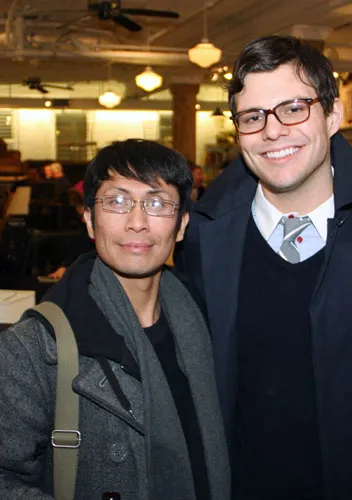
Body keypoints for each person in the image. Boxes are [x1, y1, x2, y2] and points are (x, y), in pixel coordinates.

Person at [175, 35, 352, 500]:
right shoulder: (203, 237)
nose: (272, 131)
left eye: (293, 108)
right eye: (253, 116)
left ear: (333, 115)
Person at [0, 139, 230, 500]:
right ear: (89, 220)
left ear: (181, 225)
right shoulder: (34, 348)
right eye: (118, 202)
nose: (137, 223)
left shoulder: (206, 321)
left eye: (157, 203)